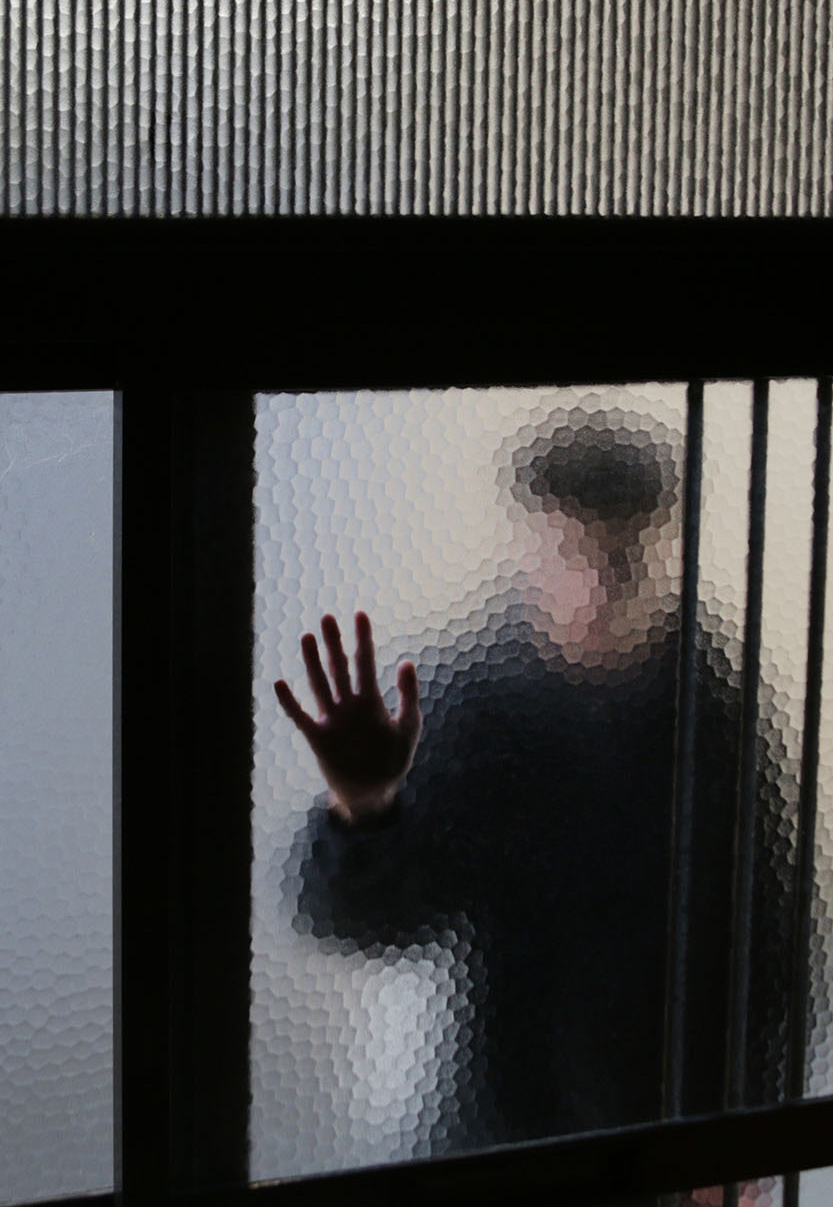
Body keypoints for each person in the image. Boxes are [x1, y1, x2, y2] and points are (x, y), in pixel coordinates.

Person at [274, 420, 797, 1156]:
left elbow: (770, 940)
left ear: (664, 549)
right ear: (527, 552)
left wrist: (747, 1125)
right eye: (573, 555)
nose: (598, 588)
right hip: (504, 1134)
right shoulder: (473, 707)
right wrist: (363, 808)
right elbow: (366, 921)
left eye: (622, 557)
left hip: (669, 1135)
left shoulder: (713, 711)